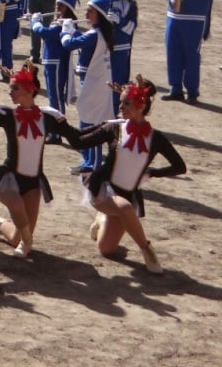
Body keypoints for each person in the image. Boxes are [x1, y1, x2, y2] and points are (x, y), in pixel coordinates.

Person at [0, 62, 82, 257]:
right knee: (19, 215)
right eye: (10, 87)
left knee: (16, 237)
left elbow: (77, 138)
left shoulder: (48, 116)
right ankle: (27, 243)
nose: (10, 92)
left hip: (33, 182)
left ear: (30, 89)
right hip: (8, 178)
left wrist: (109, 129)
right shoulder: (9, 115)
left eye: (14, 88)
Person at [76, 76, 187, 274]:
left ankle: (102, 219)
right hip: (103, 190)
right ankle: (147, 249)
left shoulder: (155, 138)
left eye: (126, 103)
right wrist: (54, 122)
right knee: (125, 208)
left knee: (106, 249)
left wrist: (152, 172)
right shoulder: (115, 128)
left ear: (140, 106)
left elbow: (180, 167)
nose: (121, 107)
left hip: (126, 194)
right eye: (121, 102)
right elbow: (80, 141)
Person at [61, 0, 116, 174]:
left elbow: (69, 44)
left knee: (92, 122)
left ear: (99, 14)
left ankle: (94, 165)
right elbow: (85, 41)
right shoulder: (100, 32)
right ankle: (89, 161)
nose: (86, 13)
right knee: (88, 120)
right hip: (95, 81)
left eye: (90, 11)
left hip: (95, 83)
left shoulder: (95, 34)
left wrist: (66, 30)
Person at [160, 0, 217, 104]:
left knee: (191, 55)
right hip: (173, 17)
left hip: (194, 19)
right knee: (173, 53)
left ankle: (192, 91)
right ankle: (175, 88)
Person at [28, 0, 80, 125]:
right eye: (56, 4)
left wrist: (35, 22)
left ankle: (58, 130)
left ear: (68, 8)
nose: (56, 7)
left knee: (56, 98)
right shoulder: (59, 21)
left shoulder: (65, 23)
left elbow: (45, 33)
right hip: (51, 62)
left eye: (60, 5)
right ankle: (56, 130)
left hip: (56, 63)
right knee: (53, 97)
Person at [105, 0, 138, 107]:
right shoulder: (102, 1)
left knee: (117, 81)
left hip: (121, 48)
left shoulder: (130, 3)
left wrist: (120, 21)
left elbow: (131, 27)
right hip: (104, 47)